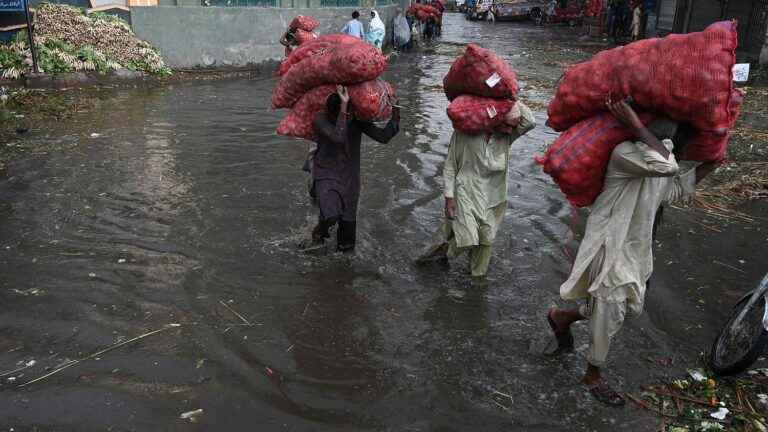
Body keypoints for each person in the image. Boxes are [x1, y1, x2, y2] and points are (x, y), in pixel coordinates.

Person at [546, 99, 717, 406]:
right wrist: (634, 125)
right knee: (610, 308)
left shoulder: (653, 161)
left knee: (616, 308)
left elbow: (672, 189)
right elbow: (667, 165)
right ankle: (592, 375)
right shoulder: (625, 154)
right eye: (662, 140)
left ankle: (561, 317)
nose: (668, 146)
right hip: (611, 246)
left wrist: (709, 166)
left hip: (635, 248)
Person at [416, 101, 536, 277]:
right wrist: (449, 197)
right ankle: (441, 254)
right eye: (508, 126)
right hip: (465, 190)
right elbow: (450, 165)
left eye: (513, 127)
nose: (511, 130)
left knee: (486, 240)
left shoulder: (507, 137)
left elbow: (530, 122)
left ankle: (477, 279)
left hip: (494, 194)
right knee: (468, 239)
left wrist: (509, 97)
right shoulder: (466, 133)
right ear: (496, 120)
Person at [305, 86, 400, 253]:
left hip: (350, 181)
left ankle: (343, 276)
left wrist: (396, 111)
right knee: (331, 216)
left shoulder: (356, 120)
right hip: (326, 175)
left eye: (346, 115)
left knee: (347, 245)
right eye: (340, 115)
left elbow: (384, 137)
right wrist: (343, 108)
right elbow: (338, 137)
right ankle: (317, 232)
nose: (344, 119)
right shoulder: (320, 119)